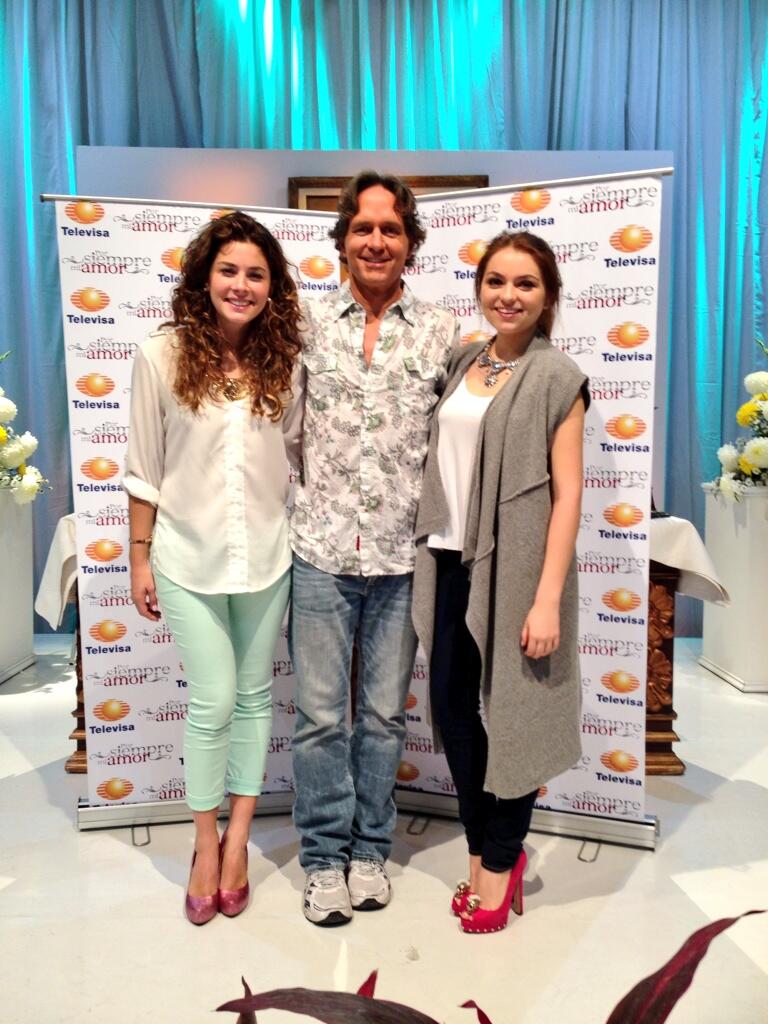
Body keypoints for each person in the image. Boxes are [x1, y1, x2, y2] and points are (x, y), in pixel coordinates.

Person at [123, 212, 302, 925]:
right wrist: (139, 555)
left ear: (272, 287)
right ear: (204, 277)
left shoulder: (286, 360)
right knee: (215, 698)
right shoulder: (160, 356)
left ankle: (238, 842)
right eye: (229, 270)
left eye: (256, 274)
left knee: (255, 697)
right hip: (185, 555)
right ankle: (204, 843)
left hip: (267, 554)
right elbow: (142, 468)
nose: (241, 285)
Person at [289, 170, 458, 926]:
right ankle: (323, 860)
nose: (377, 241)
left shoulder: (444, 332)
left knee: (385, 716)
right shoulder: (303, 324)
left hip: (402, 559)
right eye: (364, 228)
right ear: (343, 239)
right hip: (320, 551)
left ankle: (370, 851)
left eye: (391, 229)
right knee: (321, 718)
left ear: (410, 242)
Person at [412, 230, 589, 935]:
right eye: (496, 281)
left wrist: (546, 599)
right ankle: (482, 843)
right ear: (480, 287)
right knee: (452, 708)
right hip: (449, 560)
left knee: (516, 716)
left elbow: (568, 496)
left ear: (548, 296)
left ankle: (500, 859)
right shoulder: (463, 360)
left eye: (525, 284)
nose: (508, 295)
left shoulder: (557, 376)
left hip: (517, 570)